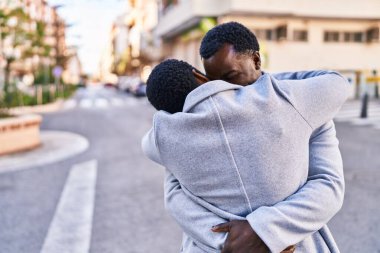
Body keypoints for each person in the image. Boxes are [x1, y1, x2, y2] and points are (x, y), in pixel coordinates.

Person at [142, 58, 349, 253]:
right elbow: (328, 184)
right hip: (293, 245)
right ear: (200, 76)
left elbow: (174, 197)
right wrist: (268, 232)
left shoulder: (164, 139)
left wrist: (225, 242)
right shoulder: (288, 102)